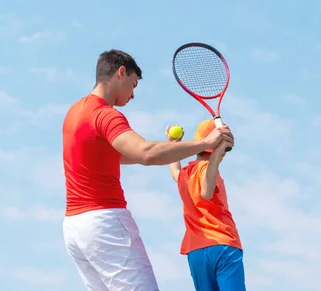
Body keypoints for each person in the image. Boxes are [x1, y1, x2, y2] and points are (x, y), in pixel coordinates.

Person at [61, 49, 235, 291]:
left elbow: (120, 155)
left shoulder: (74, 112)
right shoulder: (105, 115)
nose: (132, 95)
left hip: (75, 228)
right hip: (105, 223)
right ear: (121, 73)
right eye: (133, 85)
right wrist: (206, 143)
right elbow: (145, 153)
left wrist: (174, 149)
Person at [166, 119, 246, 291]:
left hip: (196, 251)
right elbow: (206, 192)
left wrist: (173, 144)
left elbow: (175, 171)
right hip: (223, 245)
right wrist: (215, 159)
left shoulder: (186, 174)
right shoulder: (209, 169)